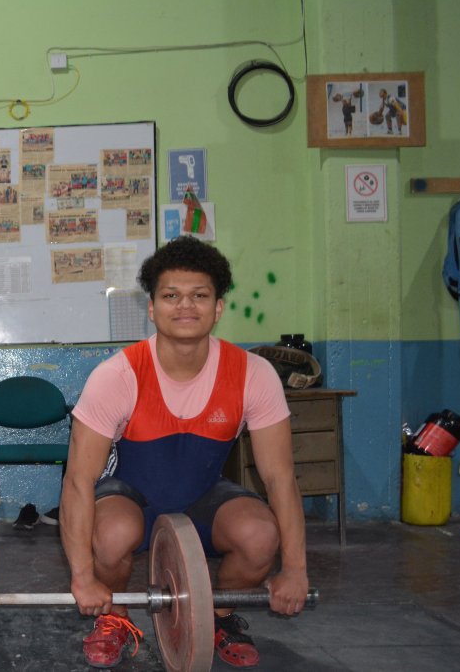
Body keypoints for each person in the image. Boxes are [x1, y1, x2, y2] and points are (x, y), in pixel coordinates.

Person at [58, 236, 309, 669]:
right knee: (112, 534)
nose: (185, 306)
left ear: (219, 307)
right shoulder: (116, 375)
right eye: (171, 296)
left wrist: (295, 569)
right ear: (152, 308)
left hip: (203, 498)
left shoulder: (254, 374)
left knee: (259, 537)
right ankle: (114, 617)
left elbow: (279, 478)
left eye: (199, 295)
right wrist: (82, 577)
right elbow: (79, 481)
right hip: (132, 496)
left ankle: (219, 617)